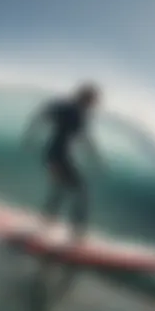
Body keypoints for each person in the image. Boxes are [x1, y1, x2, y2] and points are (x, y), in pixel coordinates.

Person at [22, 82, 102, 244]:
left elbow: (83, 136)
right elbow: (45, 113)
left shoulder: (77, 111)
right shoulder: (71, 109)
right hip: (57, 154)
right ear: (86, 97)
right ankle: (76, 234)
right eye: (93, 99)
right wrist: (31, 134)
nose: (95, 103)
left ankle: (46, 223)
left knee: (61, 189)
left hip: (58, 154)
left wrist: (94, 155)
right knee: (80, 190)